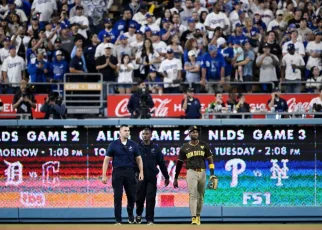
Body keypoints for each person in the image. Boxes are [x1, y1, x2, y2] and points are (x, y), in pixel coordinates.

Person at [102, 125, 144, 225]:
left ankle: (130, 214)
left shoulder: (133, 144)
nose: (127, 132)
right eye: (125, 131)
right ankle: (118, 220)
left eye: (128, 131)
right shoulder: (113, 144)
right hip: (117, 172)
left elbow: (138, 159)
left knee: (132, 197)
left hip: (130, 172)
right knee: (117, 197)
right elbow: (106, 160)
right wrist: (104, 175)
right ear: (120, 133)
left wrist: (141, 172)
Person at [173, 126, 216, 225]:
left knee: (201, 196)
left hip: (202, 172)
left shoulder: (204, 145)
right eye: (193, 132)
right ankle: (193, 218)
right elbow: (179, 163)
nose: (195, 134)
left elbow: (210, 159)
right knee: (193, 195)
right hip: (191, 172)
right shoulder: (184, 147)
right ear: (189, 134)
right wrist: (176, 178)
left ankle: (197, 215)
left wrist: (212, 174)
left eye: (196, 132)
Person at [135, 127, 170, 225]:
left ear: (151, 136)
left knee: (150, 198)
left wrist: (166, 177)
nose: (145, 135)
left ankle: (150, 220)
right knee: (139, 198)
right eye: (143, 134)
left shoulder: (156, 148)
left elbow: (161, 163)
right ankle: (138, 214)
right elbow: (132, 162)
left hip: (151, 177)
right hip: (140, 177)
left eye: (147, 134)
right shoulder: (136, 148)